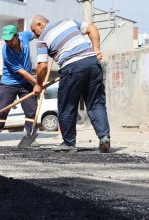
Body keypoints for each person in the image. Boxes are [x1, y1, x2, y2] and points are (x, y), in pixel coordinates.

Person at [30, 15, 111, 153]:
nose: (35, 35)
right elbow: (92, 28)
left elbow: (42, 66)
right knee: (95, 103)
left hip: (71, 68)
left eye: (34, 31)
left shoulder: (43, 37)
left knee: (67, 106)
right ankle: (104, 137)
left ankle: (69, 143)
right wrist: (96, 48)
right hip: (92, 63)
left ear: (40, 25)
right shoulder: (68, 21)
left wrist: (38, 84)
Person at [0, 25, 37, 148]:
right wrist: (37, 83)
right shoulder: (6, 51)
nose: (8, 42)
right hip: (9, 83)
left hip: (25, 83)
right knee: (1, 110)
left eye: (10, 39)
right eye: (6, 40)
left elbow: (35, 34)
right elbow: (22, 72)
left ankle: (31, 137)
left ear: (17, 36)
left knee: (31, 110)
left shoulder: (25, 36)